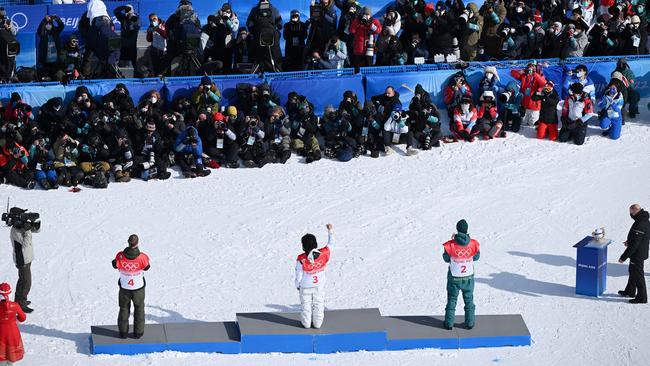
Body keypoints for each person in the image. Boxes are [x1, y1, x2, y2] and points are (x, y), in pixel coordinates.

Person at [442, 219, 480, 330]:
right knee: (469, 301)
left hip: (454, 277)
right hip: (468, 278)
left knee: (452, 300)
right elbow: (476, 257)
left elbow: (446, 258)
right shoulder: (473, 244)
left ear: (457, 229)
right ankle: (470, 323)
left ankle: (449, 323)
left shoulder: (450, 244)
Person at [295, 223, 334, 329]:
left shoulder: (301, 259)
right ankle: (317, 323)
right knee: (318, 304)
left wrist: (298, 285)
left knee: (306, 306)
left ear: (303, 246)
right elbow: (331, 244)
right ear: (316, 244)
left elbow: (298, 274)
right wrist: (330, 231)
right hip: (319, 286)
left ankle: (306, 324)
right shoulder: (324, 253)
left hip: (305, 286)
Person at [112, 234, 151, 338]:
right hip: (138, 288)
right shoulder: (142, 257)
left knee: (124, 309)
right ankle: (138, 333)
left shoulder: (120, 255)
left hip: (125, 287)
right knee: (139, 310)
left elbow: (115, 265)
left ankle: (123, 333)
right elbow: (147, 267)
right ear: (137, 243)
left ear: (128, 242)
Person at [9, 207, 40, 314]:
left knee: (22, 280)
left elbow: (37, 231)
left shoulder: (21, 226)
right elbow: (25, 243)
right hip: (22, 259)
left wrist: (33, 224)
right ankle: (20, 304)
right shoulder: (15, 230)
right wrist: (27, 230)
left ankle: (19, 301)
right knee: (26, 282)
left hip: (27, 258)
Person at [618, 204, 649, 304]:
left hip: (637, 254)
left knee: (638, 275)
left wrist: (623, 257)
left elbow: (635, 245)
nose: (630, 214)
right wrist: (629, 241)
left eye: (631, 212)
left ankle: (642, 298)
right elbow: (640, 238)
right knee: (632, 271)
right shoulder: (643, 219)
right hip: (639, 251)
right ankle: (630, 291)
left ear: (635, 211)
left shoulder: (640, 223)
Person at [0, 283, 26, 365]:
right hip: (13, 333)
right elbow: (23, 318)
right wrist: (15, 319)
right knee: (11, 354)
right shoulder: (15, 305)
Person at [113, 4, 141, 72]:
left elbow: (133, 29)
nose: (128, 13)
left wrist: (130, 19)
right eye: (126, 11)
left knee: (133, 66)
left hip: (132, 46)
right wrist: (123, 7)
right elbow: (116, 11)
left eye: (129, 10)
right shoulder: (123, 18)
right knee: (122, 66)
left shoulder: (136, 18)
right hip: (123, 46)